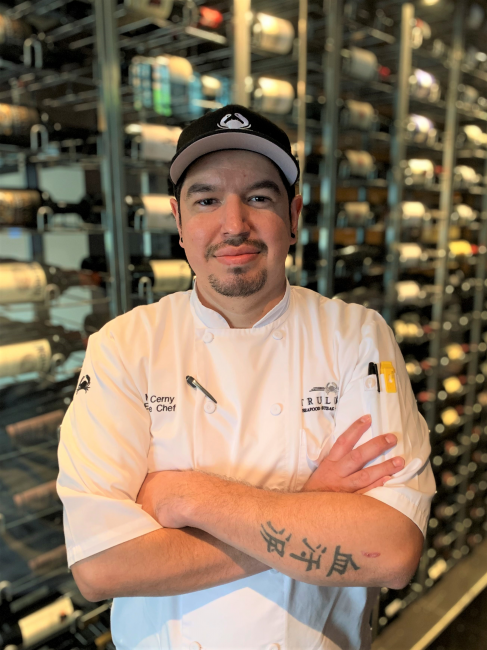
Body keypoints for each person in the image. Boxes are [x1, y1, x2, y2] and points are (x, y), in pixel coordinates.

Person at [57, 104, 436, 650]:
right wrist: (311, 500)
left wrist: (188, 497)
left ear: (294, 215)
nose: (234, 224)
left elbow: (392, 552)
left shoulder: (357, 336)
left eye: (259, 197)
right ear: (178, 221)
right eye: (207, 199)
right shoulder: (123, 347)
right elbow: (101, 567)